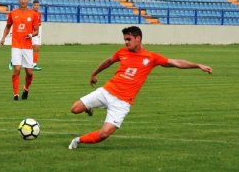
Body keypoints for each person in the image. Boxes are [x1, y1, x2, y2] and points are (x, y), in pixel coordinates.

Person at [68, 26, 212, 149]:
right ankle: (90, 107)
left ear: (138, 38)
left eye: (128, 39)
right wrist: (94, 73)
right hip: (106, 91)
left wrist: (198, 65)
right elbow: (108, 61)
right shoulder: (122, 52)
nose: (126, 42)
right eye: (125, 39)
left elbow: (176, 63)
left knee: (104, 134)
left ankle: (78, 140)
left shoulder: (151, 57)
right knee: (74, 109)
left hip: (122, 102)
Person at [0, 0, 39, 101]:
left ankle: (26, 89)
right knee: (16, 69)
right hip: (16, 45)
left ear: (28, 1)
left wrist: (31, 34)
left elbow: (36, 31)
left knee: (29, 73)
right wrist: (3, 38)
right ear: (18, 0)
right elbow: (7, 27)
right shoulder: (13, 13)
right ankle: (15, 94)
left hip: (27, 47)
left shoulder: (33, 14)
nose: (23, 1)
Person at [31, 0, 42, 71]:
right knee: (26, 49)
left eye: (37, 5)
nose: (36, 6)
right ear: (32, 5)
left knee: (37, 47)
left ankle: (34, 65)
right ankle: (13, 61)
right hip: (29, 33)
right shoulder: (30, 12)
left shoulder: (39, 14)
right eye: (35, 5)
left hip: (36, 32)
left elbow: (39, 23)